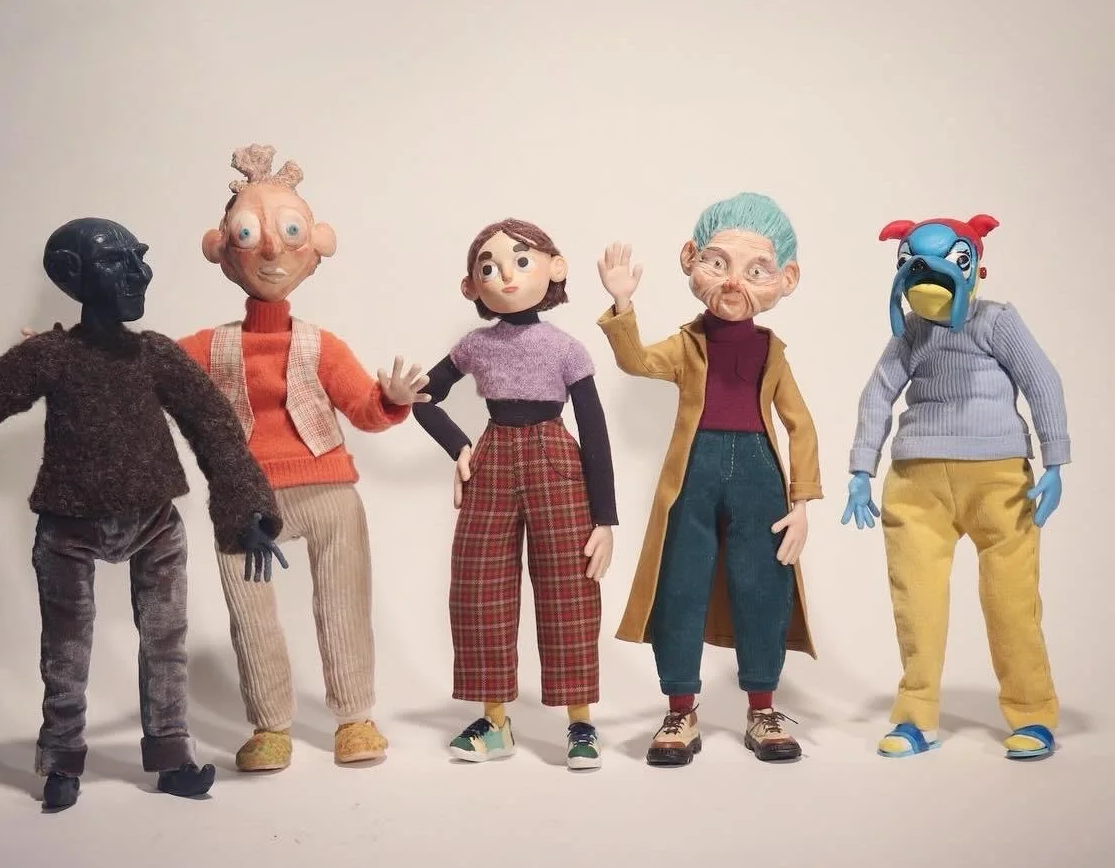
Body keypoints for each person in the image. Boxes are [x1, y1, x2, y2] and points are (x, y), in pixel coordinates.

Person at [0, 217, 284, 811]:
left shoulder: (156, 354)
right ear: (72, 275)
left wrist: (249, 506)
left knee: (166, 641)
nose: (137, 273)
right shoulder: (51, 355)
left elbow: (214, 427)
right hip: (68, 524)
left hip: (155, 521)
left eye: (139, 258)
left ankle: (172, 754)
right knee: (66, 647)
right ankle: (61, 759)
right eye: (115, 261)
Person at [176, 145, 426, 772]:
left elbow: (363, 407)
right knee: (250, 614)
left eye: (289, 234)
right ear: (222, 249)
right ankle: (270, 724)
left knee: (344, 604)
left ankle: (355, 716)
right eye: (249, 234)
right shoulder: (206, 347)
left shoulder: (321, 345)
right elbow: (142, 370)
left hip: (328, 491)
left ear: (314, 247)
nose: (271, 252)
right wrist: (77, 354)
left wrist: (391, 400)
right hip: (243, 499)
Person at [596, 193, 821, 765]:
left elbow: (799, 425)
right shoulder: (687, 344)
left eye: (756, 270)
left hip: (760, 485)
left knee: (763, 588)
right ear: (690, 259)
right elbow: (638, 361)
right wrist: (622, 304)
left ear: (786, 279)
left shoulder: (771, 352)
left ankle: (763, 708)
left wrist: (801, 503)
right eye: (718, 263)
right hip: (691, 482)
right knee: (679, 587)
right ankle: (680, 710)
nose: (734, 282)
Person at [842, 213, 1069, 760]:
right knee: (916, 603)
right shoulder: (910, 332)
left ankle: (1032, 712)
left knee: (1011, 601)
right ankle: (916, 715)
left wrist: (1055, 461)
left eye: (950, 261)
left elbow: (1041, 380)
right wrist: (861, 469)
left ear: (974, 268)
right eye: (912, 263)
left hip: (998, 481)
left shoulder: (996, 321)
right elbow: (878, 394)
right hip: (916, 482)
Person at [414, 219, 616, 770]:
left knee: (569, 590)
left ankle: (580, 722)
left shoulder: (566, 349)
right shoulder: (474, 346)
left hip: (556, 461)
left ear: (555, 268)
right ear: (471, 285)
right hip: (492, 456)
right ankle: (494, 721)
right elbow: (422, 398)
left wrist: (605, 519)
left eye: (521, 261)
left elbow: (594, 431)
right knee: (478, 585)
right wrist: (458, 447)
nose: (505, 274)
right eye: (489, 266)